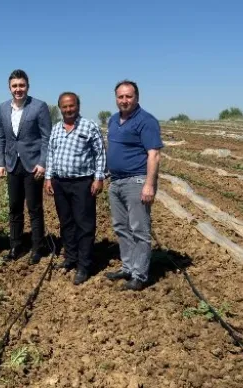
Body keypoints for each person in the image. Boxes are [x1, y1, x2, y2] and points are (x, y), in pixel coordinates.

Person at [105, 80, 163, 291]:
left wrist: (149, 185)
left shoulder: (146, 121)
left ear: (136, 97)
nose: (124, 100)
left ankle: (140, 275)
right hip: (116, 181)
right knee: (121, 227)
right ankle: (128, 268)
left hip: (136, 181)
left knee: (139, 229)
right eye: (120, 97)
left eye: (128, 96)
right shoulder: (113, 120)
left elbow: (154, 155)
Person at [44, 93, 106, 285]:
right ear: (60, 108)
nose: (68, 109)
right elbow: (51, 155)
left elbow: (100, 154)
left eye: (71, 106)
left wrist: (99, 178)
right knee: (66, 223)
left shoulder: (89, 126)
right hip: (60, 183)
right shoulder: (56, 129)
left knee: (84, 224)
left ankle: (84, 265)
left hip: (82, 183)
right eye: (64, 107)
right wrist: (48, 178)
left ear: (78, 106)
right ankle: (70, 258)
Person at [0, 69, 52, 264]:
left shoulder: (39, 106)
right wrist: (0, 163)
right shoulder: (3, 108)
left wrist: (43, 163)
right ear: (9, 88)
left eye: (21, 85)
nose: (18, 89)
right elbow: (0, 136)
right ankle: (15, 245)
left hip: (33, 164)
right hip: (12, 164)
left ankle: (38, 247)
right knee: (14, 207)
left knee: (34, 208)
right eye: (14, 86)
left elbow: (46, 137)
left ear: (27, 86)